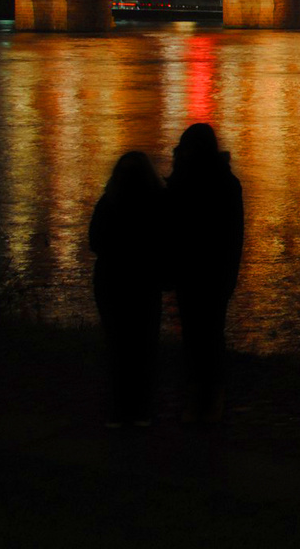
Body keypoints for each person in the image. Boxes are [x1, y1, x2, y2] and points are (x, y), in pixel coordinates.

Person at [168, 123, 244, 423]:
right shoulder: (227, 183)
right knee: (211, 335)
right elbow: (234, 234)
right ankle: (211, 400)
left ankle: (197, 398)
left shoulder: (182, 180)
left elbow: (171, 227)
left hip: (191, 271)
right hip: (213, 273)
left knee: (195, 335)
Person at [88, 151, 165, 428]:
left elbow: (94, 240)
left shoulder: (109, 202)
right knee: (143, 347)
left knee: (118, 347)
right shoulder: (157, 203)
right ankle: (141, 409)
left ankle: (120, 410)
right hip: (145, 282)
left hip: (112, 282)